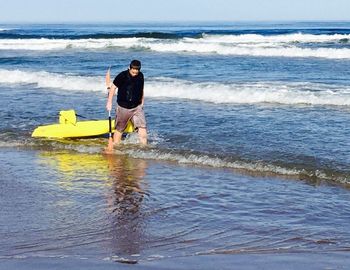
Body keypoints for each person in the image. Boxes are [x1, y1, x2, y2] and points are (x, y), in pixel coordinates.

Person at [106, 60, 147, 145]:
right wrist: (109, 102)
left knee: (142, 127)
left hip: (137, 107)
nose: (135, 73)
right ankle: (116, 145)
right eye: (133, 71)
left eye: (137, 71)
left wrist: (142, 102)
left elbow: (141, 89)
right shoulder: (122, 76)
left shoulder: (141, 76)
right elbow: (113, 88)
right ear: (129, 68)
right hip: (123, 108)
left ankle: (144, 148)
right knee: (119, 129)